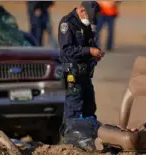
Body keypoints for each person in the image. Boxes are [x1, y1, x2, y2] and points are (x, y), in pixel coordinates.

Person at [58, 1, 104, 151]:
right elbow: (67, 51)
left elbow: (90, 41)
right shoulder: (67, 23)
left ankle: (87, 139)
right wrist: (88, 51)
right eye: (90, 18)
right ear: (82, 10)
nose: (90, 22)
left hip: (85, 75)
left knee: (89, 106)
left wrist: (95, 52)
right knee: (74, 108)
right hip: (72, 74)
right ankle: (72, 144)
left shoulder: (86, 24)